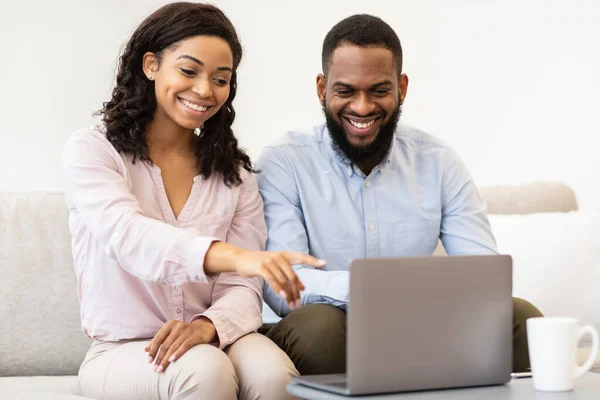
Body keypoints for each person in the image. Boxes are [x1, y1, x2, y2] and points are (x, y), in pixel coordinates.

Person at [257, 14, 543, 376]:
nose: (362, 108)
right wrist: (380, 291)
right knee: (317, 328)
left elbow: (485, 275)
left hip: (420, 325)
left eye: (378, 90)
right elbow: (282, 285)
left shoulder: (438, 161)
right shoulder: (284, 162)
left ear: (401, 88)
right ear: (321, 89)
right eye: (345, 91)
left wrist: (416, 298)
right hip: (330, 328)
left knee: (520, 318)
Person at [62, 3, 324, 399]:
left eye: (221, 79)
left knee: (277, 377)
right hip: (122, 349)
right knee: (204, 369)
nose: (204, 90)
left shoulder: (233, 173)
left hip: (216, 334)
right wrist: (235, 255)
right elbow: (130, 237)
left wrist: (208, 325)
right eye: (188, 71)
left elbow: (242, 285)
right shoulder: (95, 151)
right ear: (151, 64)